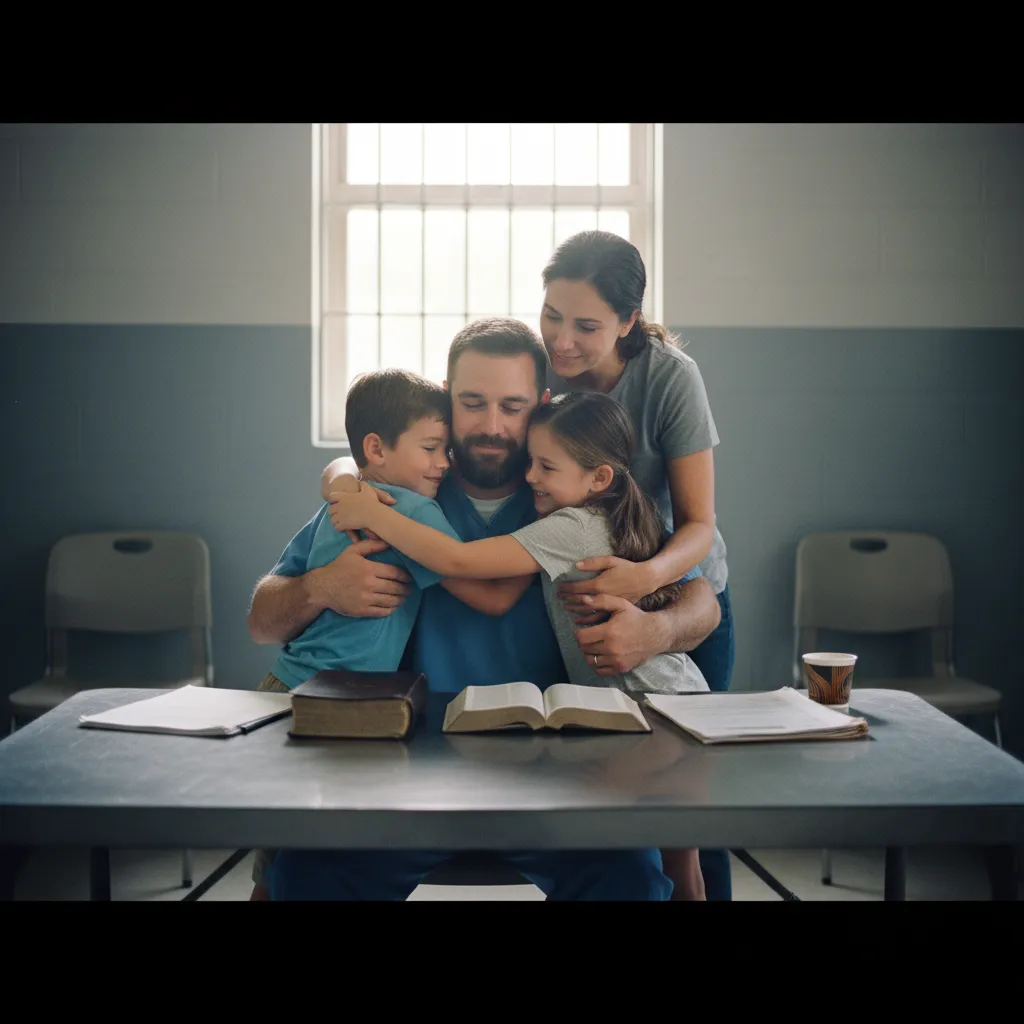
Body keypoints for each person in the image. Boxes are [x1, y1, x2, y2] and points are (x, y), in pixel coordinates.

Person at [249, 317, 721, 901]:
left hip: (563, 768)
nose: (492, 426)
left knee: (631, 880)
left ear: (542, 405)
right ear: (446, 400)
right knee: (306, 874)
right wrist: (320, 586)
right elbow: (262, 618)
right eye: (472, 403)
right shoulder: (403, 486)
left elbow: (702, 603)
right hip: (407, 764)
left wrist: (655, 629)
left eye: (513, 406)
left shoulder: (568, 490)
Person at [246, 367, 532, 900]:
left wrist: (345, 482)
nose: (443, 462)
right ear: (376, 447)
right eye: (432, 448)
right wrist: (546, 546)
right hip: (346, 706)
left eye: (512, 406)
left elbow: (345, 472)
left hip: (284, 684)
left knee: (278, 855)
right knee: (306, 849)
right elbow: (485, 590)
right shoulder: (417, 507)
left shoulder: (337, 506)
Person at [538, 230, 736, 900]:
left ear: (626, 323)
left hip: (679, 586)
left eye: (586, 326)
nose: (562, 341)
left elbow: (700, 524)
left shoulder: (670, 377)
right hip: (590, 590)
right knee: (610, 796)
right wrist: (340, 473)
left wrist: (647, 582)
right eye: (552, 316)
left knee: (688, 803)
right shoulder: (536, 372)